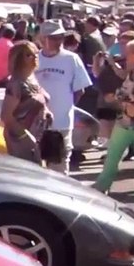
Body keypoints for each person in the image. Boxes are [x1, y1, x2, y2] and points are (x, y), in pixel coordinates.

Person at [34, 21, 94, 174]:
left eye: (60, 37)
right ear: (42, 39)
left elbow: (80, 90)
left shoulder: (71, 59)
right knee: (35, 168)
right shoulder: (34, 58)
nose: (58, 41)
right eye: (53, 37)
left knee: (59, 167)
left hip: (61, 123)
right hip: (36, 123)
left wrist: (66, 108)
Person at [93, 40, 134, 193]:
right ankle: (102, 186)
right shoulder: (130, 73)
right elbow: (124, 91)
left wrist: (117, 97)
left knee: (113, 155)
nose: (125, 57)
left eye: (128, 54)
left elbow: (128, 95)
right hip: (124, 122)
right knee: (112, 156)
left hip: (129, 121)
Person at [0, 41, 50, 164]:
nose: (34, 57)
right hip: (20, 138)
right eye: (29, 55)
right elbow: (6, 115)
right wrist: (24, 136)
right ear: (18, 59)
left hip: (37, 134)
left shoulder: (32, 78)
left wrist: (47, 112)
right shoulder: (16, 83)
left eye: (36, 53)